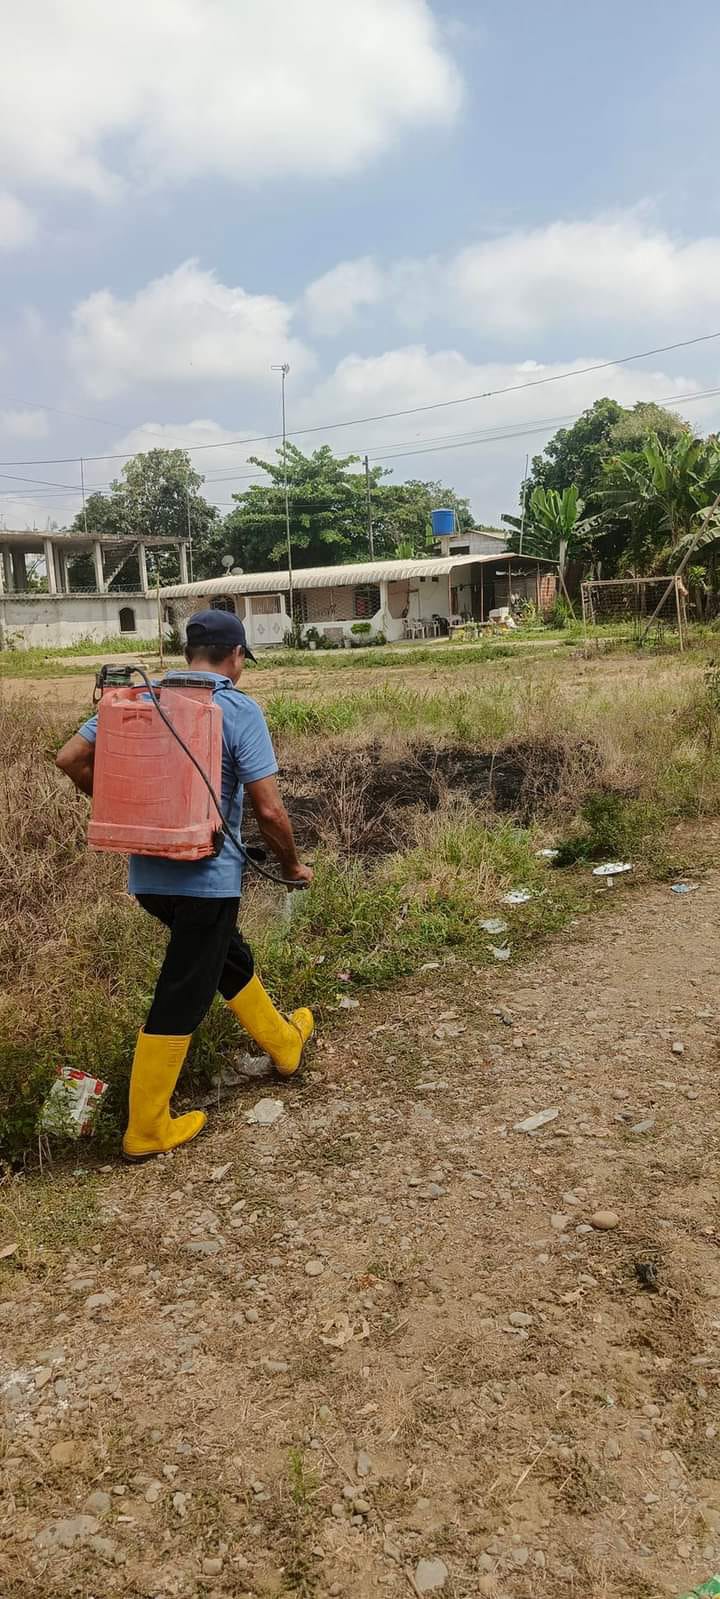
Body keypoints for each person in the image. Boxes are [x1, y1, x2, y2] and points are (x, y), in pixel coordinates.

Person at [56, 609, 314, 1163]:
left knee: (225, 958)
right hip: (207, 882)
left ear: (187, 653)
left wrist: (122, 804)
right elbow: (270, 811)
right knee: (183, 992)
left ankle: (284, 1044)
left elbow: (70, 757)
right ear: (237, 655)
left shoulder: (139, 698)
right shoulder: (236, 709)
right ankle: (147, 1126)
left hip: (150, 881)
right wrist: (293, 867)